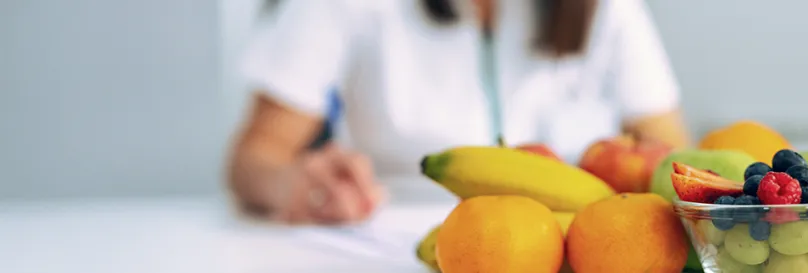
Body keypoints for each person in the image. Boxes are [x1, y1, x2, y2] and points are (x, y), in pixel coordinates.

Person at [228, 0, 690, 225]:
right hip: (392, 239)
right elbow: (254, 157)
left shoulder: (607, 8)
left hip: (580, 242)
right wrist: (295, 182)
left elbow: (677, 162)